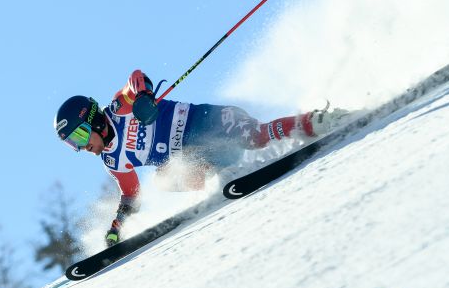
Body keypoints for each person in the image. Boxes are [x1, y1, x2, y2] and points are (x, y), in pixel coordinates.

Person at [55, 69, 346, 246]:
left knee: (255, 137)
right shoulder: (111, 161)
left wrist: (143, 97)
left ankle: (317, 121)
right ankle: (220, 177)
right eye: (73, 146)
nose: (82, 148)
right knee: (165, 180)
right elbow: (131, 194)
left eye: (79, 137)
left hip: (206, 122)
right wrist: (118, 226)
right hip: (197, 156)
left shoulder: (119, 108)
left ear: (92, 120)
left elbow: (136, 80)